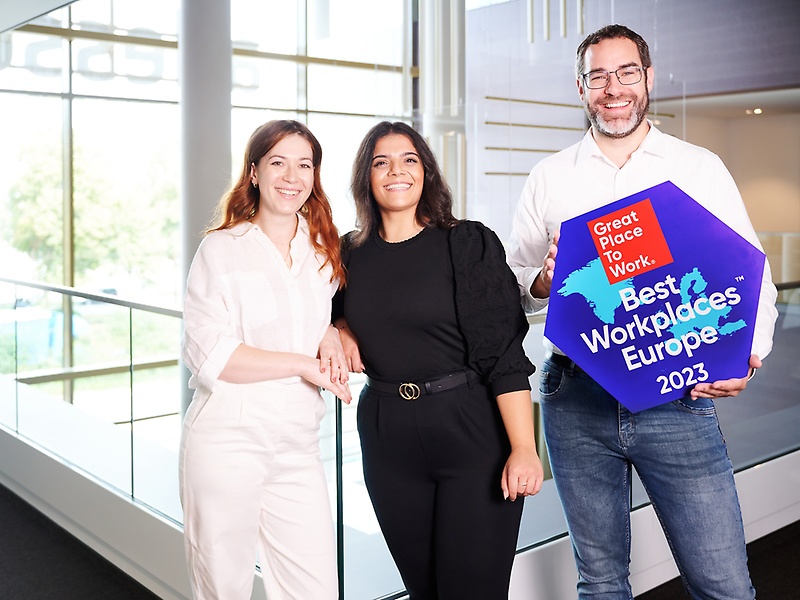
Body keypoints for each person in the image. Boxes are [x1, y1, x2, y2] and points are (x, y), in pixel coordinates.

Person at [507, 24, 779, 599]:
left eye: (626, 73)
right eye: (598, 76)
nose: (614, 88)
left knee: (723, 584)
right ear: (581, 88)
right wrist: (547, 280)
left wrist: (749, 356)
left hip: (677, 398)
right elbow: (516, 280)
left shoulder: (697, 167)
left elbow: (752, 273)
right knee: (601, 583)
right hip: (575, 399)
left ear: (648, 79)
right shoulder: (550, 177)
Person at [333, 121, 544, 600]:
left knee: (473, 592)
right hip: (387, 436)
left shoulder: (467, 244)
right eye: (380, 162)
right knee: (423, 591)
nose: (396, 171)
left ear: (426, 172)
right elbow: (321, 312)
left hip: (469, 431)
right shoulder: (347, 253)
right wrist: (337, 328)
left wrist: (524, 448)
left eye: (409, 159)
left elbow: (503, 355)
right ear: (365, 177)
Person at [179, 119, 352, 600]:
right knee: (222, 585)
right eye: (278, 162)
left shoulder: (322, 251)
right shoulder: (221, 248)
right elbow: (209, 353)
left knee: (314, 589)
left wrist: (332, 334)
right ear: (254, 172)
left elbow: (315, 317)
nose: (291, 176)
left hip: (298, 444)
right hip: (227, 441)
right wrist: (301, 363)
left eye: (304, 164)